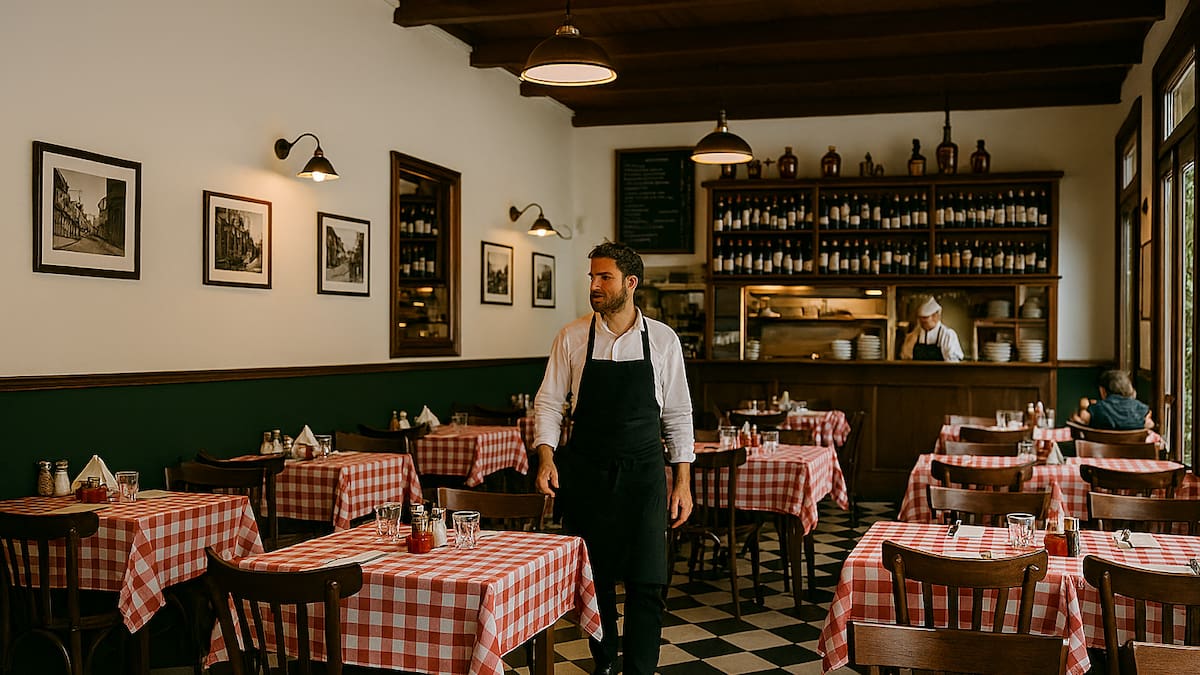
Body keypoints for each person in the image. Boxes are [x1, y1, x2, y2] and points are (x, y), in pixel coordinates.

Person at [532, 241, 694, 675]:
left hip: (644, 475)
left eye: (605, 277)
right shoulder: (572, 336)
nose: (595, 285)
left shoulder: (663, 339)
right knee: (594, 580)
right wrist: (546, 457)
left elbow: (678, 414)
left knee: (647, 582)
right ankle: (604, 661)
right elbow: (549, 402)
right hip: (587, 473)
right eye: (592, 277)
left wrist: (682, 482)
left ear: (631, 282)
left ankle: (640, 670)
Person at [1070, 369, 1154, 430]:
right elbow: (1150, 424)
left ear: (1103, 391)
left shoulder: (1099, 408)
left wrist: (1083, 406)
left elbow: (1082, 419)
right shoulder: (1141, 409)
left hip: (1099, 449)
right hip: (1134, 450)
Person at [899, 296, 964, 361]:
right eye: (920, 319)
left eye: (925, 318)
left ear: (935, 317)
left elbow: (953, 361)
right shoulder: (916, 333)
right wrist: (912, 339)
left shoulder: (947, 334)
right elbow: (905, 357)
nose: (921, 322)